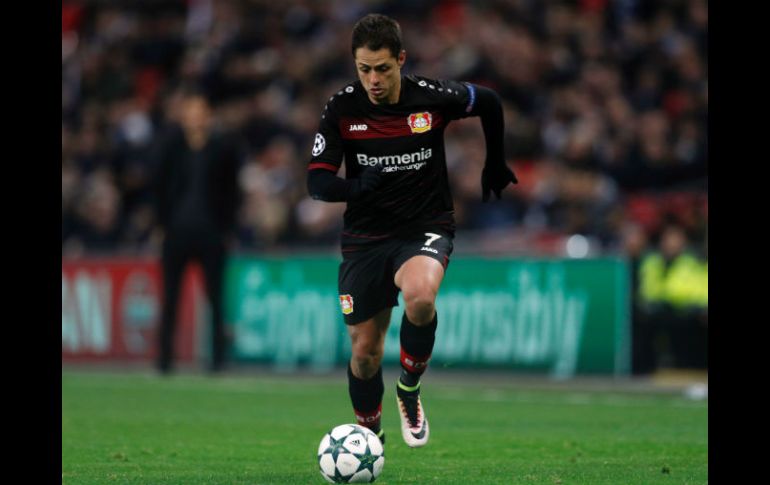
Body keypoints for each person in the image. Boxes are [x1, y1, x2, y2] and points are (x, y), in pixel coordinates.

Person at [306, 14, 517, 447]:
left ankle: (409, 388)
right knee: (364, 353)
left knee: (420, 295)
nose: (374, 79)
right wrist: (356, 186)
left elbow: (490, 102)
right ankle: (369, 438)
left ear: (400, 59)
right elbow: (317, 182)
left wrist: (494, 162)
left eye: (383, 68)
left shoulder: (431, 97)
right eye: (364, 69)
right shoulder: (343, 108)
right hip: (366, 239)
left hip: (425, 225)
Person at [152, 89, 243, 374]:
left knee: (215, 298)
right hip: (176, 232)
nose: (196, 117)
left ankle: (217, 359)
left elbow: (232, 192)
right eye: (190, 111)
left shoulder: (223, 148)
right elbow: (158, 188)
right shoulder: (171, 147)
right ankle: (165, 360)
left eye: (201, 111)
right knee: (170, 297)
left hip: (211, 232)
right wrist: (161, 226)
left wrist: (227, 228)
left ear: (209, 115)